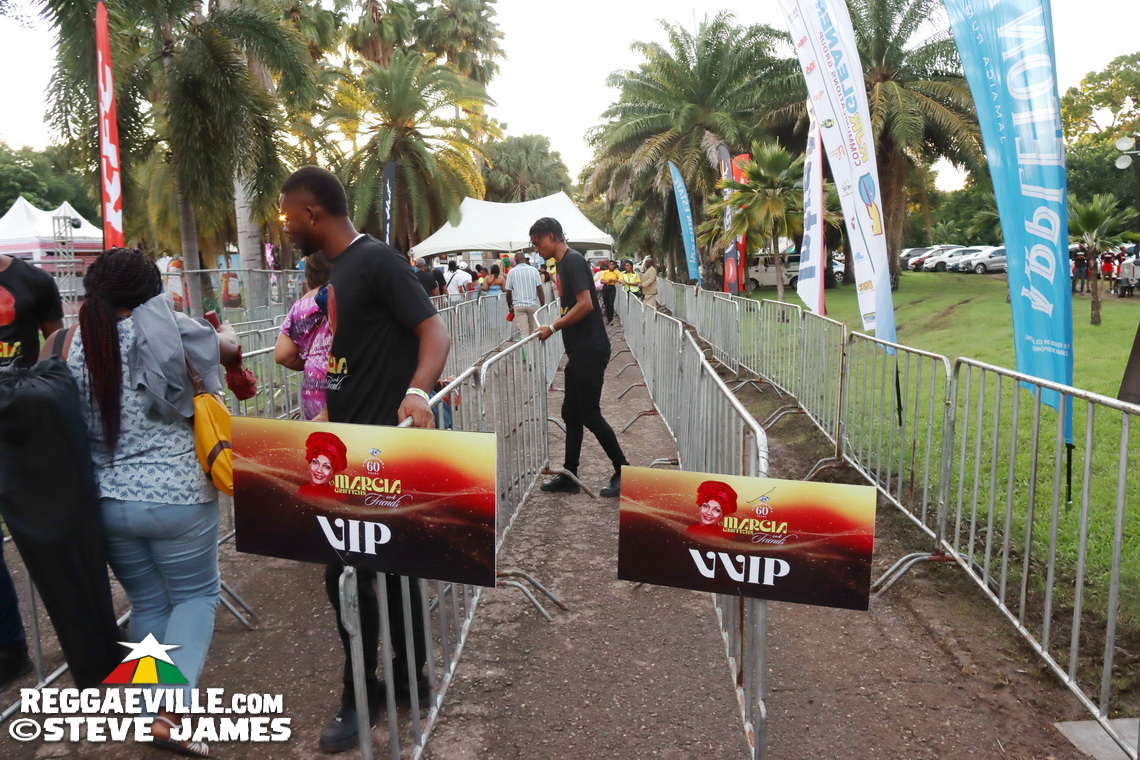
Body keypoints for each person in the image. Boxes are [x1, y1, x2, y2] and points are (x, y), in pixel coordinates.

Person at [279, 165, 451, 753]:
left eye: (287, 216)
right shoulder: (341, 271)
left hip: (386, 447)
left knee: (367, 573)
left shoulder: (375, 260)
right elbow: (349, 354)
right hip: (349, 447)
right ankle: (386, 681)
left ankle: (384, 684)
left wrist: (418, 391)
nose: (285, 228)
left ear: (311, 213)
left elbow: (434, 331)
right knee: (361, 573)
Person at [48, 248, 238, 757]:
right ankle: (171, 712)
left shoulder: (65, 343)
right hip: (178, 497)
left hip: (106, 503)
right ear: (150, 291)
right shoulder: (175, 331)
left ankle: (142, 708)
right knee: (195, 596)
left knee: (149, 603)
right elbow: (229, 346)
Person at [0, 252, 63, 689]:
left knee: (53, 532)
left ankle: (89, 630)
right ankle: (11, 648)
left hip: (24, 426)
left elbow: (56, 349)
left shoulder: (34, 281)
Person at [532, 217, 628, 499]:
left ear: (551, 236)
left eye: (538, 243)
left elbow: (585, 305)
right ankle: (570, 475)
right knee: (571, 414)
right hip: (578, 351)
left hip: (590, 349)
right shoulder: (561, 264)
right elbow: (571, 306)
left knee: (590, 414)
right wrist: (556, 323)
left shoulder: (572, 260)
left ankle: (623, 471)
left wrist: (552, 327)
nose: (536, 249)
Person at [275, 250, 333, 421]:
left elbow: (282, 354)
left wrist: (312, 359)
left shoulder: (301, 306)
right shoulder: (348, 296)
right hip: (344, 386)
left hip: (313, 389)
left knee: (319, 444)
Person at [504, 251, 544, 337]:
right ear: (525, 259)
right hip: (532, 305)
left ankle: (527, 350)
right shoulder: (534, 270)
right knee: (533, 331)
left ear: (515, 259)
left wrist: (510, 306)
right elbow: (540, 290)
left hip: (519, 306)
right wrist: (543, 306)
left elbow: (508, 292)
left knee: (524, 332)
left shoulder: (512, 272)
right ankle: (533, 350)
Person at [300, 431, 348, 499]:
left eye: (327, 467)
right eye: (315, 462)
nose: (319, 470)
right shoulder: (301, 490)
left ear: (333, 471)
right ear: (309, 463)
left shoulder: (338, 496)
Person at [599, 260, 620, 325]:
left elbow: (620, 279)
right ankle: (608, 319)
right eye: (610, 264)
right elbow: (602, 281)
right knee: (606, 304)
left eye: (612, 264)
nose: (611, 265)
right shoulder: (605, 272)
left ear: (614, 265)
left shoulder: (617, 272)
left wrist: (614, 280)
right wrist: (608, 281)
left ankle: (611, 319)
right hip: (605, 288)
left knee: (611, 304)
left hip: (612, 288)